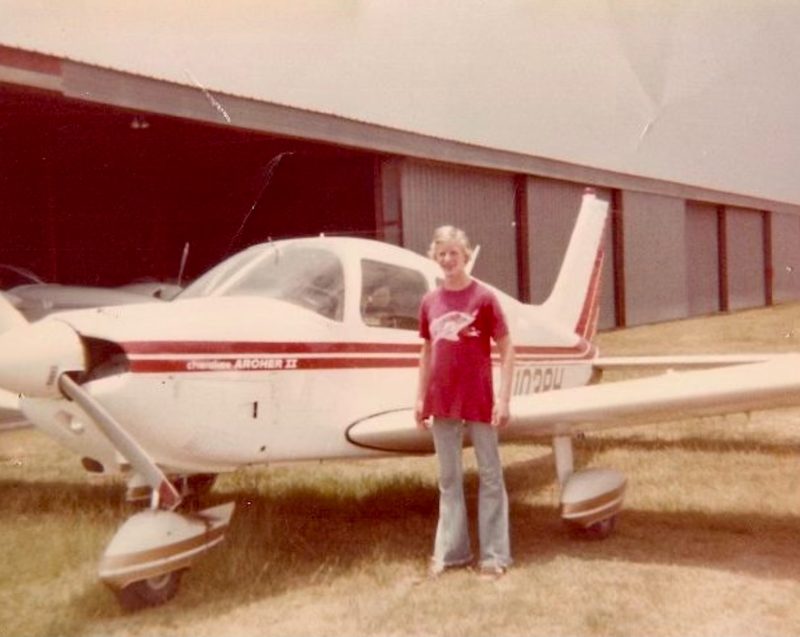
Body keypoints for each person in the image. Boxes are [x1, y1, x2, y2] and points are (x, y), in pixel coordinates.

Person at [415, 225, 515, 581]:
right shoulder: (429, 301)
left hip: (480, 400)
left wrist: (503, 398)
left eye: (453, 253)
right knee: (448, 479)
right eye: (441, 254)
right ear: (435, 257)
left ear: (466, 256)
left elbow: (507, 347)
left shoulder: (484, 298)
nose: (447, 260)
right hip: (442, 401)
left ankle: (494, 555)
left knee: (490, 475)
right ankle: (453, 553)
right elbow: (427, 351)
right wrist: (419, 397)